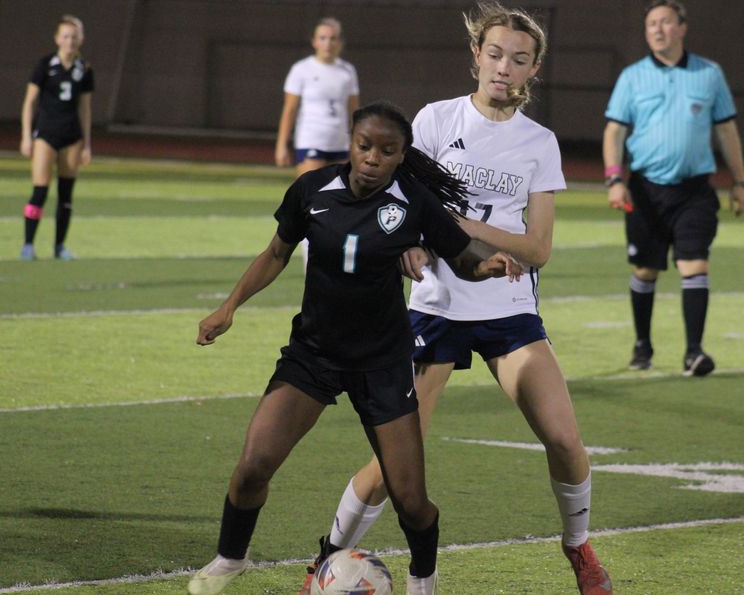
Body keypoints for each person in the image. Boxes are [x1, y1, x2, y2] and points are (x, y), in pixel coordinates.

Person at [300, 3, 613, 595]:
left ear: (533, 69)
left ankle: (577, 547)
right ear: (476, 56)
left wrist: (461, 223)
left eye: (518, 60)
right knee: (395, 468)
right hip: (434, 310)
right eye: (494, 54)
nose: (504, 67)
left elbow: (538, 247)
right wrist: (407, 245)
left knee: (566, 440)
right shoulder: (437, 122)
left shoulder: (538, 142)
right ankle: (325, 561)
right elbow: (395, 211)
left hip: (508, 309)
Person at [187, 100, 522, 595]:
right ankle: (230, 558)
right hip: (313, 355)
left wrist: (486, 265)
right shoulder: (311, 189)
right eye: (365, 146)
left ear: (401, 156)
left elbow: (459, 252)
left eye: (387, 152)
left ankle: (423, 579)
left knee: (411, 499)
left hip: (383, 363)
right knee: (253, 466)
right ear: (351, 143)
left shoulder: (414, 200)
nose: (372, 158)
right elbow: (276, 252)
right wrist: (228, 307)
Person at [603, 0, 744, 375]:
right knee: (645, 271)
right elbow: (614, 131)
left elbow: (727, 129)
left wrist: (740, 181)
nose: (658, 29)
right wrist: (615, 178)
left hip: (695, 191)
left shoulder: (709, 74)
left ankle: (694, 352)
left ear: (682, 28)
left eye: (665, 22)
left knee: (694, 263)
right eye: (651, 24)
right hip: (645, 191)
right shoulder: (632, 77)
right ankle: (642, 346)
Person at [275, 17, 360, 268]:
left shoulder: (347, 71)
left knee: (342, 199)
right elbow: (289, 109)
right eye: (322, 38)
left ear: (340, 42)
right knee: (311, 199)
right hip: (311, 140)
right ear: (314, 41)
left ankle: (336, 256)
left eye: (333, 38)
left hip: (340, 142)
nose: (328, 43)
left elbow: (353, 111)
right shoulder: (302, 70)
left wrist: (356, 143)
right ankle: (307, 255)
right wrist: (282, 145)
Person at [19, 14, 93, 261]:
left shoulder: (85, 70)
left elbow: (85, 109)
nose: (69, 41)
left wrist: (87, 144)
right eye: (65, 36)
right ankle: (28, 244)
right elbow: (29, 102)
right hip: (46, 135)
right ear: (57, 38)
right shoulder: (44, 66)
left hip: (71, 137)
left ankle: (59, 246)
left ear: (80, 40)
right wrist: (26, 136)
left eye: (73, 37)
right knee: (39, 191)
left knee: (66, 195)